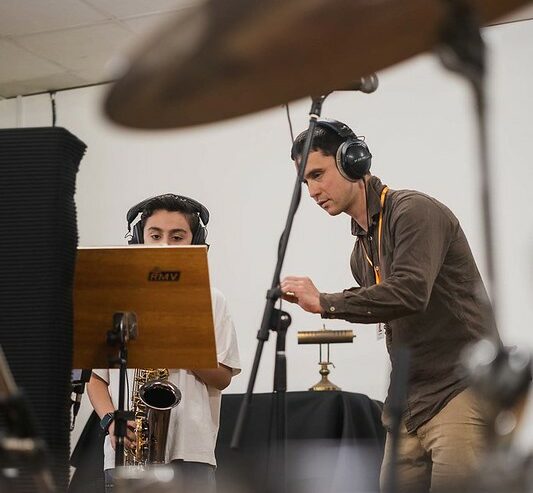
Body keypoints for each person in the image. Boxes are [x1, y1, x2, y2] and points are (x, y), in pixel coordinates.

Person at [280, 119, 501, 493]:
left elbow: (411, 293)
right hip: (408, 407)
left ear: (353, 161)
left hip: (460, 390)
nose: (313, 191)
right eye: (305, 182)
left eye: (317, 174)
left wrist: (325, 303)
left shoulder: (413, 211)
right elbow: (386, 305)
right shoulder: (360, 253)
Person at [87, 194, 241, 493]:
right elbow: (95, 378)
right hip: (127, 454)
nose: (165, 245)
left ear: (194, 243)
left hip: (192, 453)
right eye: (155, 235)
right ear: (138, 240)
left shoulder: (213, 300)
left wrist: (178, 343)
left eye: (177, 236)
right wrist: (110, 421)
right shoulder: (115, 299)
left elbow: (222, 378)